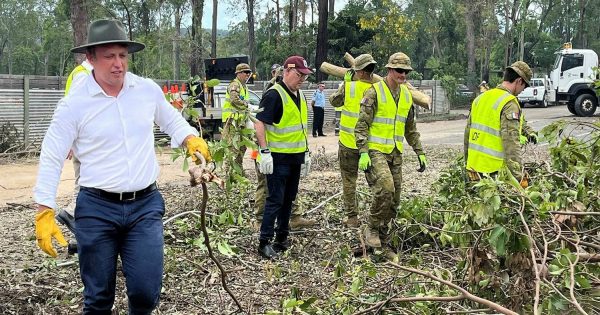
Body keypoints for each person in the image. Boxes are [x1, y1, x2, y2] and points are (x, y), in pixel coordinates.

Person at [33, 19, 211, 314]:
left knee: (145, 292)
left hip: (145, 206)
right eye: (109, 56)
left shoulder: (145, 90)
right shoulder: (74, 103)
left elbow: (171, 119)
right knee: (98, 298)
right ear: (90, 58)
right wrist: (44, 209)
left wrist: (190, 138)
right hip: (97, 208)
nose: (118, 64)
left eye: (122, 55)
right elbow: (52, 155)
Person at [355, 52, 426, 259]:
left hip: (395, 153)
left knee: (394, 200)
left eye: (405, 71)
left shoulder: (406, 96)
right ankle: (372, 228)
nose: (402, 74)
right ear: (389, 70)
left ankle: (383, 244)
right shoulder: (374, 92)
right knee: (385, 188)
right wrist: (363, 152)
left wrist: (419, 151)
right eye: (398, 70)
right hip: (376, 151)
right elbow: (361, 126)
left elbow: (410, 128)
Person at [254, 55, 312, 259]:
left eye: (304, 76)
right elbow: (260, 122)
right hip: (278, 158)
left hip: (295, 158)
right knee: (275, 199)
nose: (302, 80)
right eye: (299, 75)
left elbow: (301, 129)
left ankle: (281, 237)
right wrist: (264, 151)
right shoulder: (274, 95)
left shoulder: (300, 95)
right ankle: (264, 241)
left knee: (289, 199)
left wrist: (306, 153)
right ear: (287, 72)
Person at [464, 61, 535, 184]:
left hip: (474, 169)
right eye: (524, 86)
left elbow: (467, 135)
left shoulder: (480, 99)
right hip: (495, 172)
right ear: (519, 81)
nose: (522, 91)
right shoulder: (509, 102)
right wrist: (518, 177)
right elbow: (511, 142)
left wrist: (467, 165)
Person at [329, 54, 377, 228]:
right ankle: (378, 216)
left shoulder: (349, 87)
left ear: (359, 72)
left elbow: (333, 101)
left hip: (348, 143)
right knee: (375, 182)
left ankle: (352, 218)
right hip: (370, 145)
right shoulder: (378, 88)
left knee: (349, 181)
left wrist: (345, 84)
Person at [55, 58, 94, 233]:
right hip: (84, 139)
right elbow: (72, 111)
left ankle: (77, 233)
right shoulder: (83, 76)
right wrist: (70, 140)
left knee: (85, 180)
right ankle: (72, 212)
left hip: (82, 137)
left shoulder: (80, 73)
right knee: (87, 183)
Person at [222, 63, 253, 177]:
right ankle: (229, 173)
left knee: (242, 147)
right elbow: (234, 99)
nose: (248, 75)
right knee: (232, 148)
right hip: (232, 121)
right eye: (246, 72)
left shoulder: (244, 86)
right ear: (239, 73)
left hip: (241, 122)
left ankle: (238, 171)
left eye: (249, 72)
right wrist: (246, 106)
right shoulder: (235, 85)